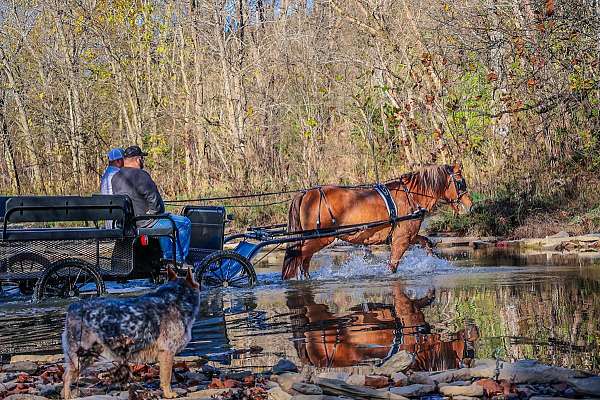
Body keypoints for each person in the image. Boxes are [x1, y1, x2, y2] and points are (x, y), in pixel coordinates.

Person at [111, 145, 191, 264]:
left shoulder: (116, 177)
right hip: (145, 220)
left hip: (128, 222)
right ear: (138, 159)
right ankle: (178, 260)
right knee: (184, 223)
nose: (143, 161)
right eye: (142, 158)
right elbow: (154, 200)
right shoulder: (140, 175)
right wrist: (154, 213)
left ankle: (167, 256)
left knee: (165, 222)